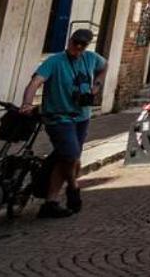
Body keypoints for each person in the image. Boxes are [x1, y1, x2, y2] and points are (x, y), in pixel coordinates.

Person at [20, 28, 106, 219]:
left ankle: (51, 202)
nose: (77, 47)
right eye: (75, 42)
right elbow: (35, 83)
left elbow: (104, 66)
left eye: (82, 45)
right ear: (69, 40)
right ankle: (73, 189)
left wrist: (96, 86)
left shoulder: (91, 59)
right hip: (59, 117)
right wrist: (27, 102)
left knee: (65, 158)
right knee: (70, 155)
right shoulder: (55, 61)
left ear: (87, 46)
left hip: (82, 117)